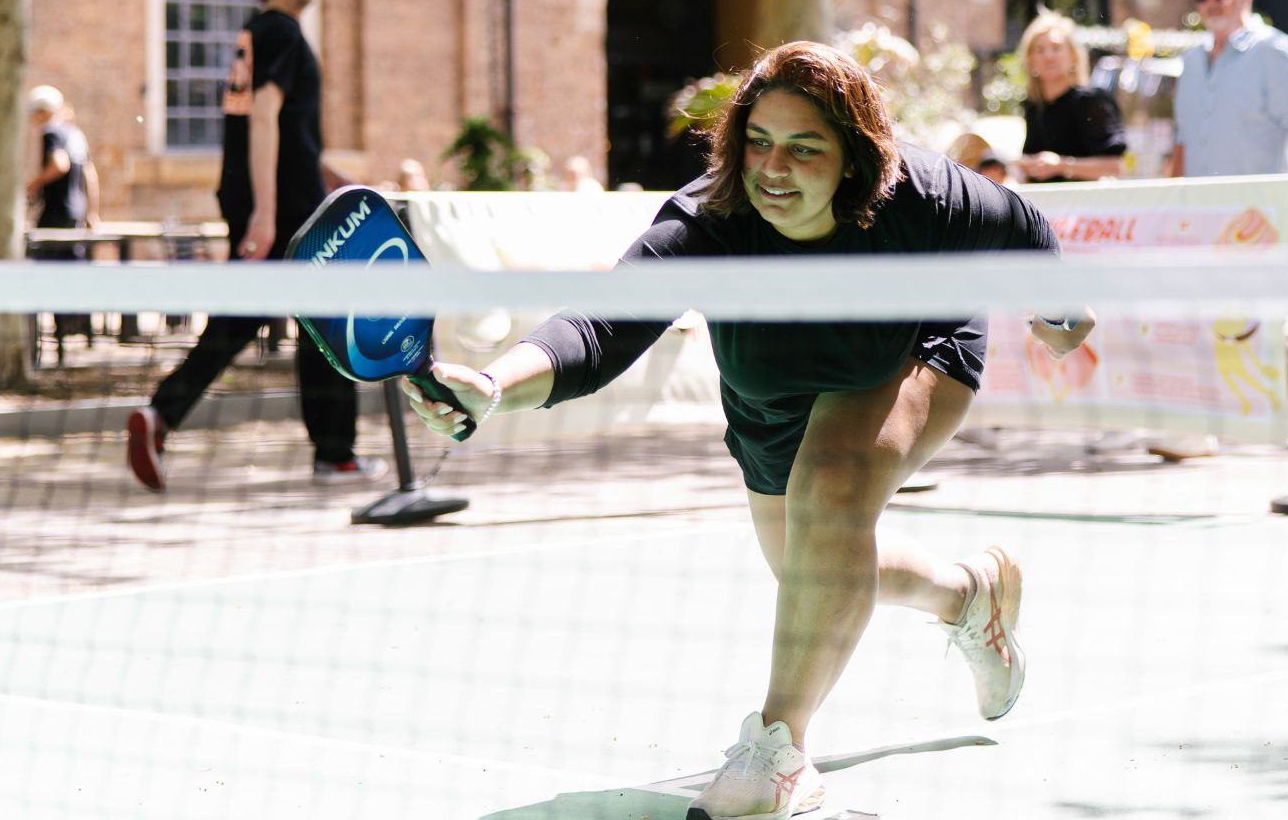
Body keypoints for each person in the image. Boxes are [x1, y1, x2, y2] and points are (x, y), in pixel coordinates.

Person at [397, 42, 1094, 820]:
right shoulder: (710, 220)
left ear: (854, 156)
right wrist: (492, 384)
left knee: (832, 488)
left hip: (911, 344)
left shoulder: (921, 194)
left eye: (804, 148)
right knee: (812, 564)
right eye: (759, 142)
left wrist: (1058, 313)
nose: (774, 169)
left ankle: (776, 751)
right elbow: (600, 329)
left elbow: (1026, 226)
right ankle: (968, 597)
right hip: (771, 399)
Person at [126, 0, 371, 491]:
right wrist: (265, 213)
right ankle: (335, 455)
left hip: (273, 198)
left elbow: (287, 136)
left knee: (243, 320)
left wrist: (337, 178)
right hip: (286, 212)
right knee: (328, 324)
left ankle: (161, 416)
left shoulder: (255, 35)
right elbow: (263, 118)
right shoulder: (281, 33)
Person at [1165, 0, 1288, 453]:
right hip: (1201, 217)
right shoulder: (1192, 62)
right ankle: (1200, 425)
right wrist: (1170, 210)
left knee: (1245, 321)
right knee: (1202, 318)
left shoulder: (1273, 51)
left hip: (1257, 216)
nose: (1213, 2)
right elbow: (1183, 143)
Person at [1014, 10, 1128, 182]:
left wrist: (1061, 165)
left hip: (1087, 206)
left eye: (1056, 48)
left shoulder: (1091, 101)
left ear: (1073, 56)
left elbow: (1115, 167)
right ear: (1030, 60)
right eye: (1040, 50)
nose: (1048, 56)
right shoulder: (1033, 107)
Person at [26, 84, 100, 348]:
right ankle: (81, 332)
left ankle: (53, 338)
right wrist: (92, 211)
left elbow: (59, 164)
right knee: (74, 273)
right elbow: (90, 174)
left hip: (56, 216)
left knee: (48, 275)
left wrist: (33, 184)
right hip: (76, 216)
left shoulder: (52, 132)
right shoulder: (75, 134)